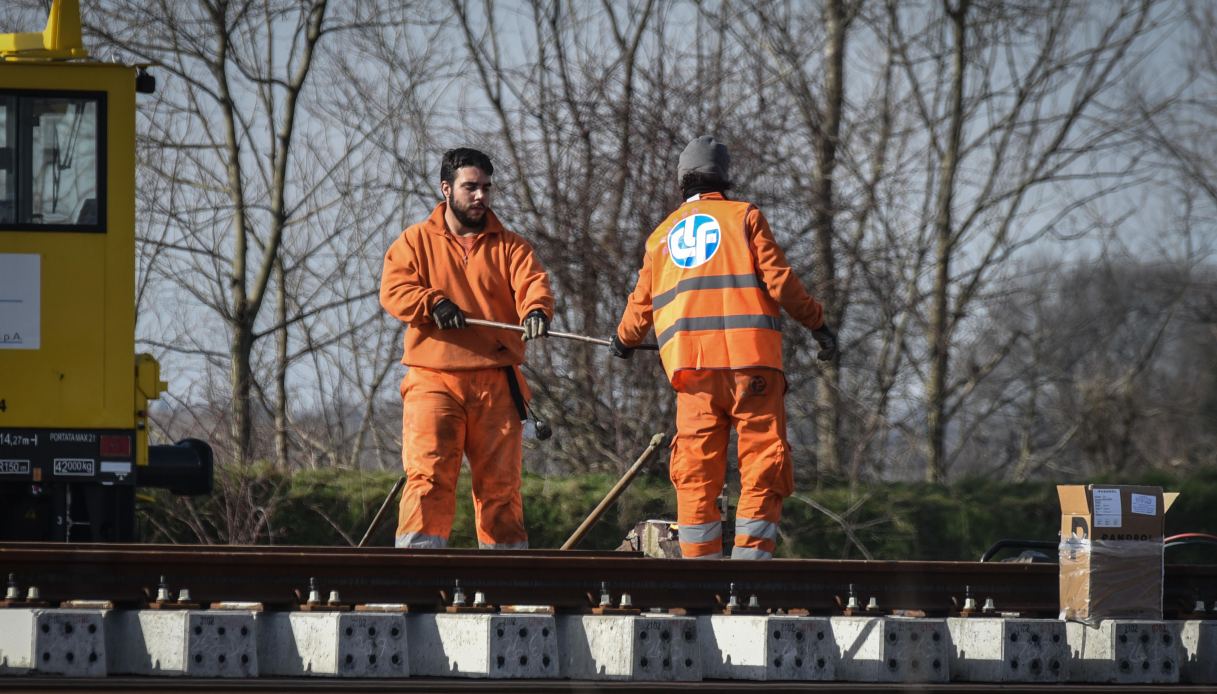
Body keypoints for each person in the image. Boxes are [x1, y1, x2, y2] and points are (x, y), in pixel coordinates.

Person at [611, 135, 838, 560]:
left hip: (693, 374)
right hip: (751, 365)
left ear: (681, 182)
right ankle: (750, 568)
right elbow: (781, 282)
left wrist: (623, 341)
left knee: (696, 472)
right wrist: (818, 323)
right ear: (725, 177)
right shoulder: (743, 217)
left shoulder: (661, 237)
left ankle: (701, 574)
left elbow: (639, 305)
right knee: (762, 464)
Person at [380, 147, 554, 549]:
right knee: (428, 477)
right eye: (471, 187)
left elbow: (534, 285)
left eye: (486, 188)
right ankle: (417, 575)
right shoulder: (414, 242)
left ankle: (506, 582)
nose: (481, 196)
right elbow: (394, 290)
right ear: (446, 189)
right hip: (432, 380)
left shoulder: (511, 246)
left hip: (496, 382)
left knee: (501, 486)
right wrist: (433, 303)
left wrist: (536, 313)